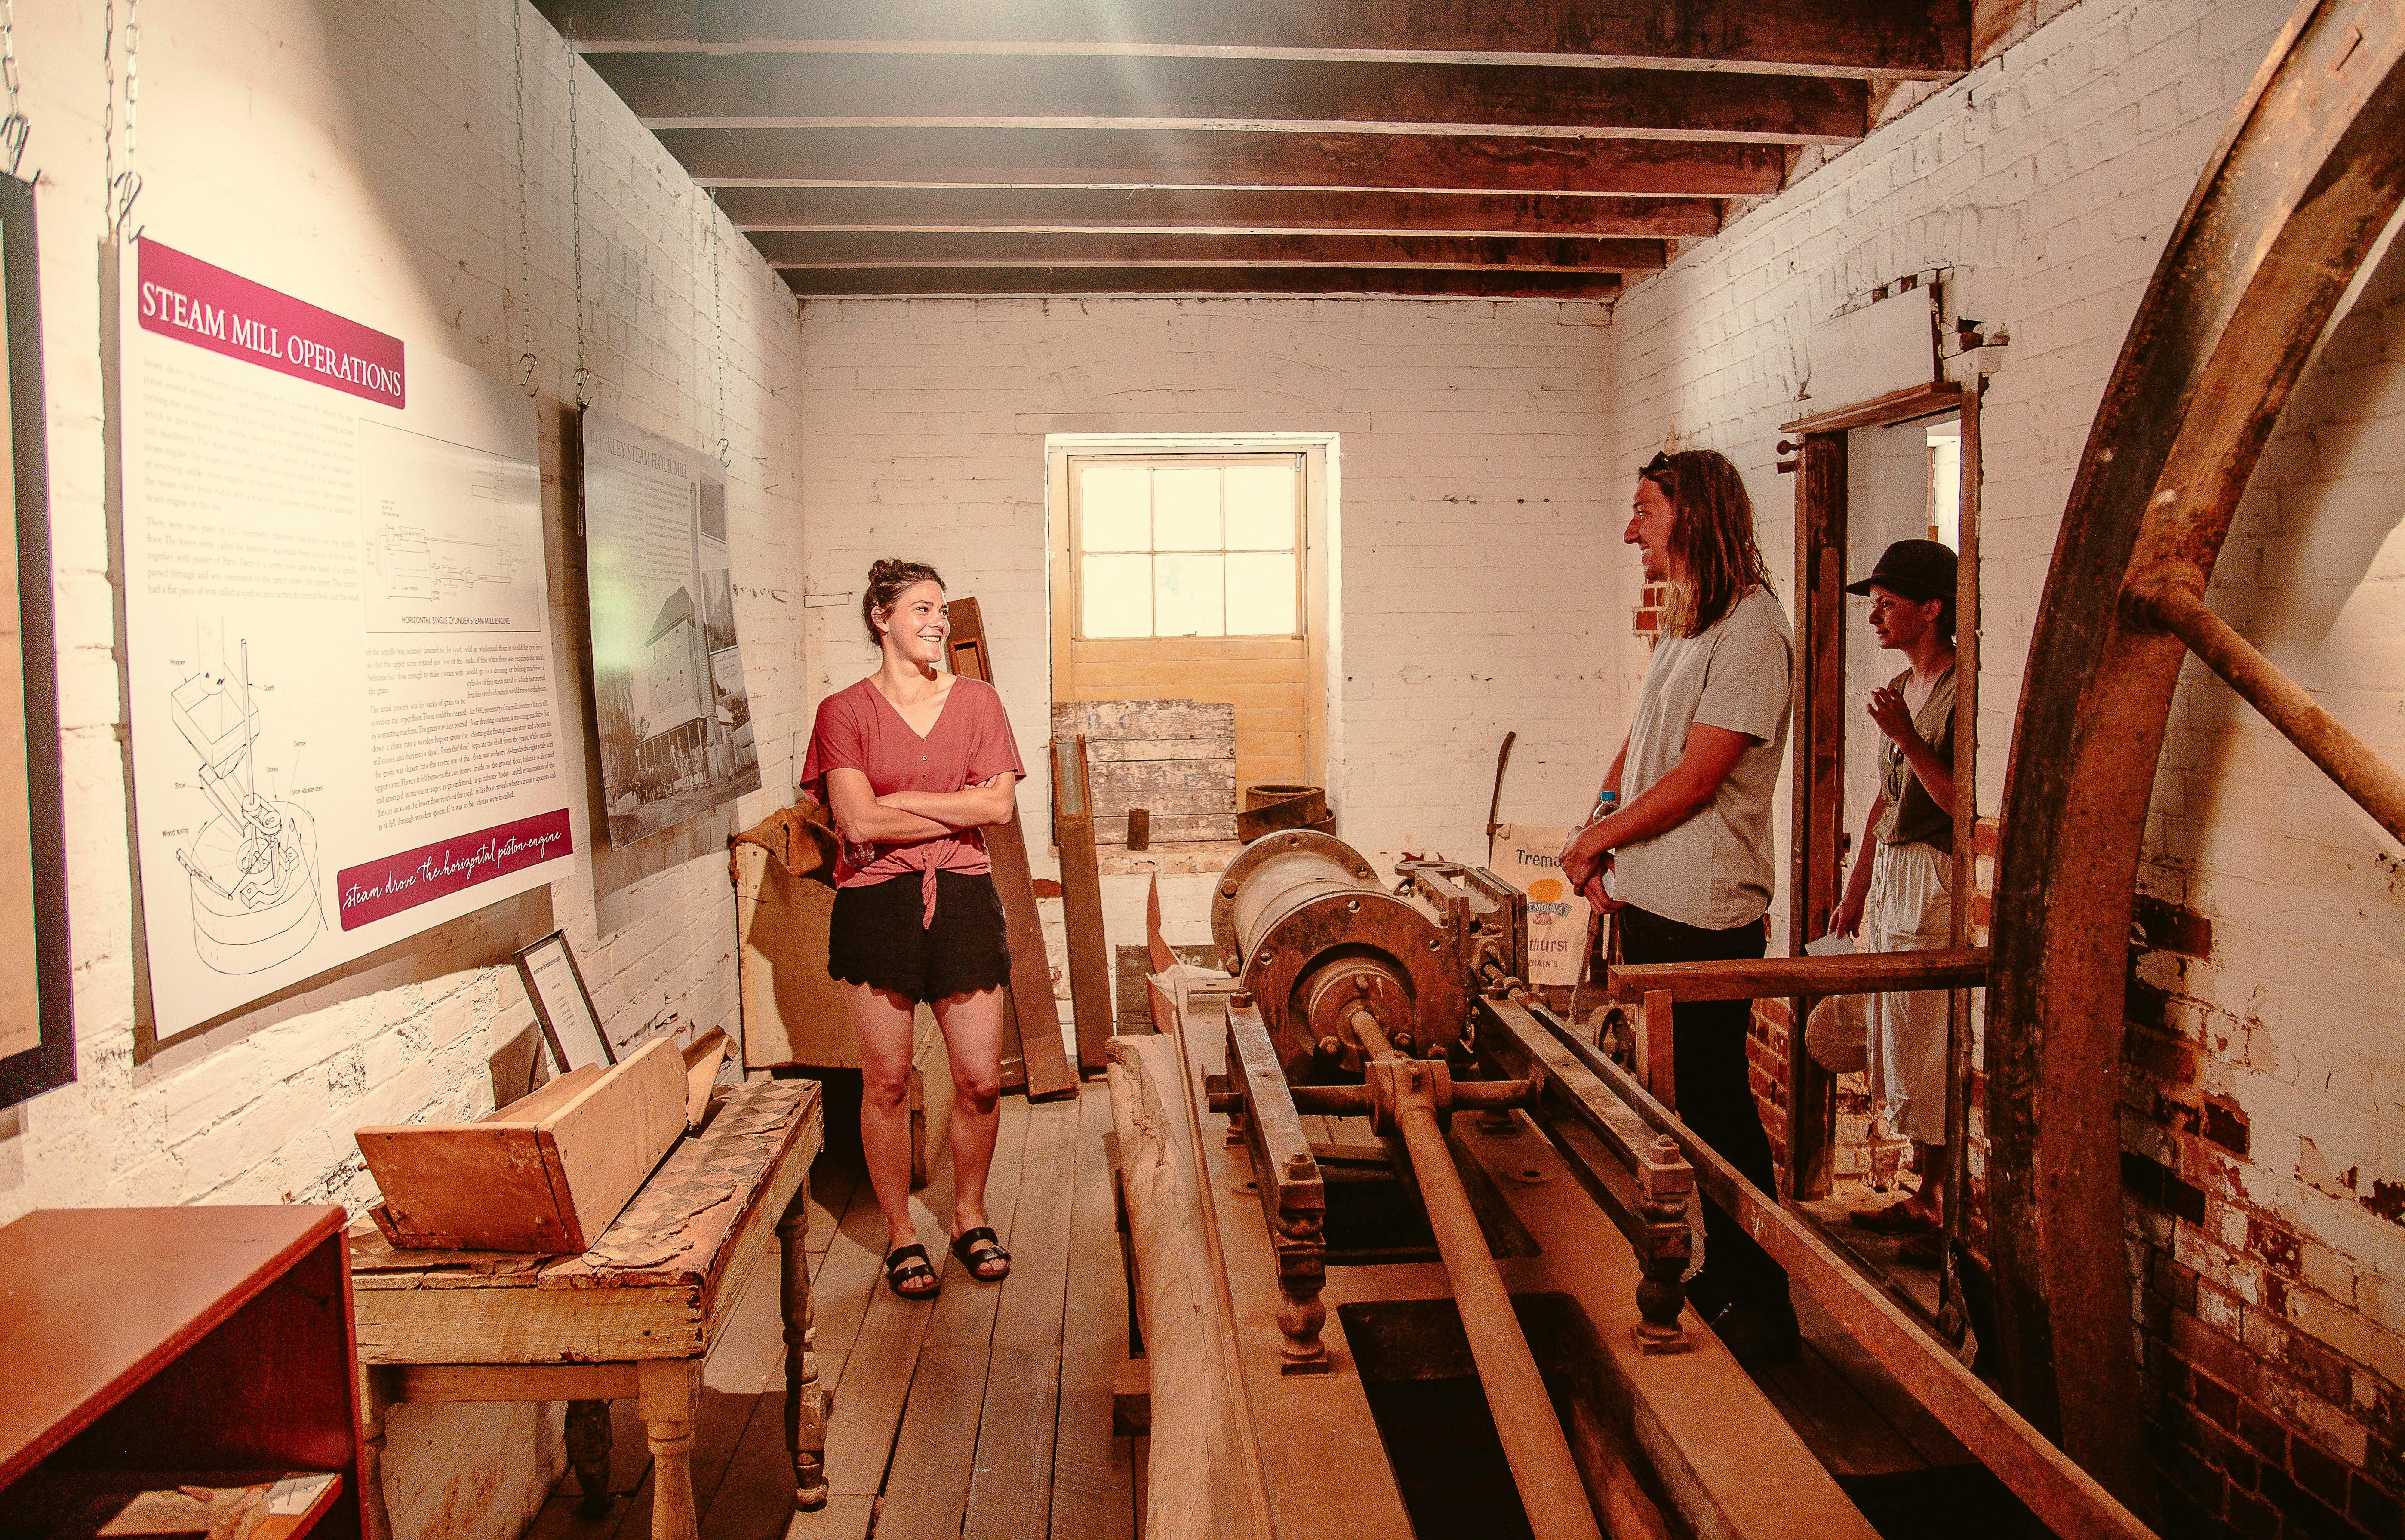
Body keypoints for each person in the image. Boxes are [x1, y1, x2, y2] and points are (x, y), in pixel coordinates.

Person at [1561, 448, 1799, 1359]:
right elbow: (1646, 741)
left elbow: (1699, 778)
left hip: (1706, 908)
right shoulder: (1692, 616)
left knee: (1718, 1110)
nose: (1632, 532)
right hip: (1655, 898)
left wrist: (1596, 844)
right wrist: (1600, 816)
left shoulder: (1753, 631)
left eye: (1645, 512)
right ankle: (1720, 1273)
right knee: (1683, 1109)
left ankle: (1767, 1308)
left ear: (1691, 515)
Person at [803, 559, 1025, 1300]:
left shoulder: (978, 702)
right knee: (889, 1081)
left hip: (962, 895)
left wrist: (899, 802)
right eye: (922, 608)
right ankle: (902, 1231)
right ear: (882, 617)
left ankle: (969, 1215)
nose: (938, 621)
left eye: (942, 610)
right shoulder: (843, 711)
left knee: (981, 1081)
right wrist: (949, 803)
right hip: (875, 901)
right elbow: (856, 822)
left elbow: (999, 809)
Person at [1822, 540, 1959, 1265]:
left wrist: (1907, 734)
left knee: (1930, 1034)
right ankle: (1923, 1189)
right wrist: (1856, 887)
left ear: (1931, 608)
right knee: (1899, 1033)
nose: (1874, 616)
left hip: (1935, 876)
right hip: (1896, 875)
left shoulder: (1959, 692)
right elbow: (1887, 797)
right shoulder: (1905, 685)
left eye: (1887, 604)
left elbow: (1958, 802)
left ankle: (1939, 1199)